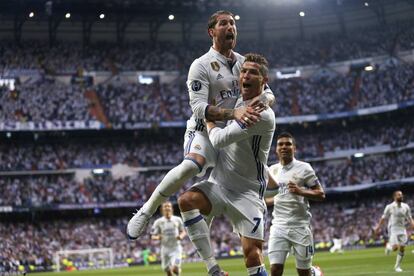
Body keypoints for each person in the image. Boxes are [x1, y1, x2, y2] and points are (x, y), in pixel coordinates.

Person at [127, 10, 275, 239]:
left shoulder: (244, 63)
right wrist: (233, 112)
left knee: (247, 175)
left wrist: (264, 101)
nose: (231, 27)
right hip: (204, 130)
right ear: (211, 31)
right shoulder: (201, 66)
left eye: (233, 23)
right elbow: (198, 107)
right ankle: (147, 210)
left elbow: (268, 92)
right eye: (224, 23)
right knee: (191, 167)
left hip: (231, 133)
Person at [178, 53, 275, 276]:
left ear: (264, 80)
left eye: (253, 72)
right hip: (220, 183)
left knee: (252, 256)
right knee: (186, 200)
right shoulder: (238, 101)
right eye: (243, 71)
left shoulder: (261, 114)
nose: (246, 75)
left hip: (248, 191)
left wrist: (209, 119)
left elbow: (220, 139)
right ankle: (213, 269)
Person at [265, 132, 325, 276]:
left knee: (303, 272)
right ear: (276, 149)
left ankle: (315, 272)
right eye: (280, 144)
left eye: (288, 144)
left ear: (294, 148)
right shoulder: (272, 170)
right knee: (275, 269)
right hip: (278, 226)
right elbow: (268, 199)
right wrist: (263, 202)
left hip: (300, 226)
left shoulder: (305, 168)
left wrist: (301, 191)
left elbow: (321, 194)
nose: (284, 147)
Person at [374, 190, 414, 272]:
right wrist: (378, 227)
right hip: (393, 228)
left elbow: (409, 217)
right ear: (395, 197)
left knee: (402, 248)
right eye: (399, 195)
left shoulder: (406, 206)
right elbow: (383, 217)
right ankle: (389, 247)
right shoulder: (389, 206)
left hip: (402, 228)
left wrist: (412, 224)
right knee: (395, 248)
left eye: (402, 195)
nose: (401, 196)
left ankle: (397, 267)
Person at [151, 201, 186, 276]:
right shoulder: (158, 222)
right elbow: (153, 236)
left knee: (175, 266)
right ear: (162, 209)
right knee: (166, 269)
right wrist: (158, 237)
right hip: (165, 250)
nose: (167, 208)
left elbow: (183, 231)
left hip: (176, 249)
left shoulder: (178, 219)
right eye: (165, 206)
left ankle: (177, 269)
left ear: (172, 209)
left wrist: (180, 236)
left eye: (169, 206)